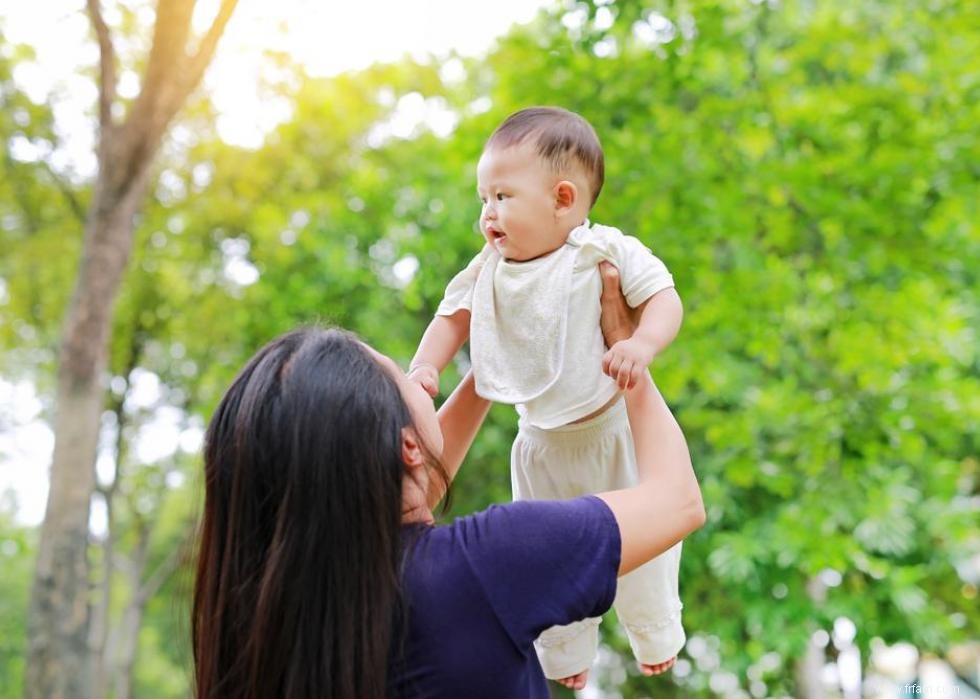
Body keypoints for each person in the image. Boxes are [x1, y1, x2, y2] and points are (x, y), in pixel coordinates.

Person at [192, 263, 705, 698]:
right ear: (407, 447)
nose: (422, 378)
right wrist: (625, 349)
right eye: (404, 375)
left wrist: (501, 351)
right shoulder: (488, 563)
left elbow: (401, 500)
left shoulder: (262, 623)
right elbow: (678, 503)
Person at [408, 106, 686, 687]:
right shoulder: (489, 266)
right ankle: (566, 657)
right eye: (484, 198)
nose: (488, 213)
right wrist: (424, 368)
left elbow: (663, 297)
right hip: (537, 442)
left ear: (563, 199)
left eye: (503, 196)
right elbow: (451, 318)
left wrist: (642, 347)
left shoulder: (599, 252)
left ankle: (654, 629)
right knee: (544, 561)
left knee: (648, 553)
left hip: (609, 429)